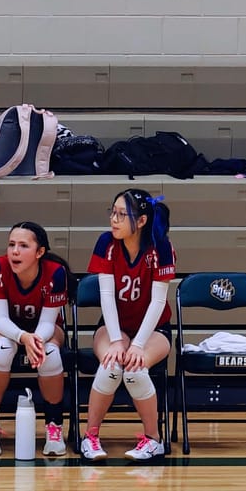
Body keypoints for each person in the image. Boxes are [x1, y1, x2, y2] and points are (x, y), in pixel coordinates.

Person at [80, 188, 173, 464]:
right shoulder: (106, 243)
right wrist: (117, 340)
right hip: (114, 326)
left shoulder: (161, 247)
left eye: (122, 214)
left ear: (141, 221)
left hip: (154, 329)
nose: (114, 219)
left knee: (135, 370)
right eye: (112, 212)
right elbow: (106, 296)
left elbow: (158, 302)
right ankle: (90, 437)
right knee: (111, 366)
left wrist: (139, 345)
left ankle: (153, 440)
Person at [0, 222, 71, 457]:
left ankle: (54, 428)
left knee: (50, 354)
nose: (15, 251)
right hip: (2, 329)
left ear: (40, 252)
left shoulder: (55, 272)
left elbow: (48, 323)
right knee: (2, 348)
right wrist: (24, 337)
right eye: (11, 244)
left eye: (23, 246)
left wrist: (35, 340)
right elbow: (0, 320)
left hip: (43, 330)